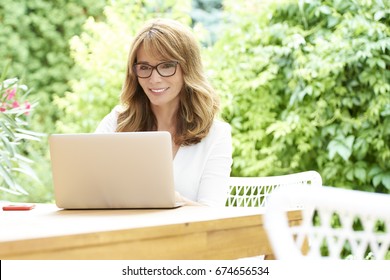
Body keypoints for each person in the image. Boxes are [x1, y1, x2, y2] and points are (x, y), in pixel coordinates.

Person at [95, 18, 232, 206]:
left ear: (187, 68)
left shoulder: (216, 135)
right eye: (144, 67)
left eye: (166, 66)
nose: (154, 79)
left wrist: (176, 202)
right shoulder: (116, 123)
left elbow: (214, 215)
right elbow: (90, 190)